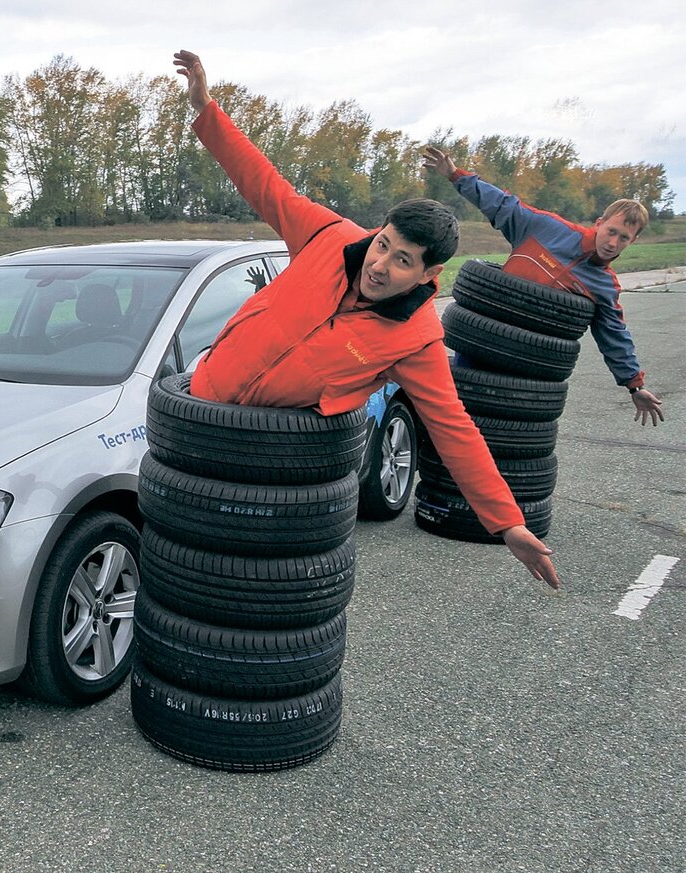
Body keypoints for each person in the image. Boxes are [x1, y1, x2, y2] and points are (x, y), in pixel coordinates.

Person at [173, 50, 560, 589]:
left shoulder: (417, 340)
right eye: (383, 245)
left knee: (242, 583)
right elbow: (262, 182)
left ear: (429, 273)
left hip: (274, 460)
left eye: (402, 260)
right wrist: (206, 109)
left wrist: (507, 522)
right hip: (197, 414)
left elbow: (455, 430)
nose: (379, 265)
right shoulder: (327, 236)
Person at [422, 146, 664, 427]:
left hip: (530, 365)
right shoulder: (547, 228)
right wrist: (455, 174)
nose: (613, 243)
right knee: (452, 414)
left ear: (632, 241)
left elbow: (615, 336)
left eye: (623, 238)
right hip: (483, 339)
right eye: (611, 231)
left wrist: (634, 385)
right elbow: (501, 204)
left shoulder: (604, 286)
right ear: (600, 223)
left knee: (506, 430)